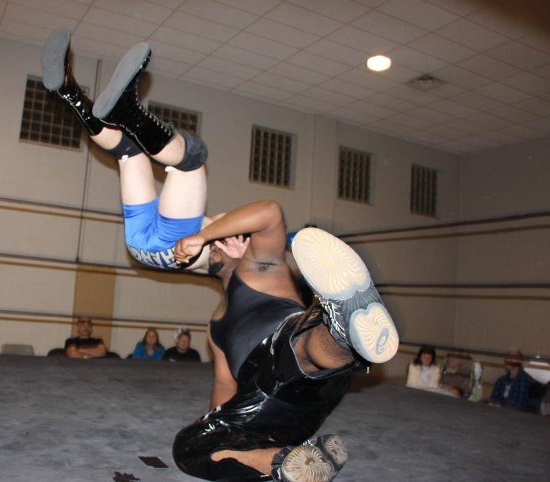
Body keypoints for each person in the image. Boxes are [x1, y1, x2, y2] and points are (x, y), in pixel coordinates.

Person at [171, 200, 399, 482]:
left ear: (245, 241)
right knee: (188, 446)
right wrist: (219, 427)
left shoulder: (262, 266)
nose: (213, 247)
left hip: (301, 358)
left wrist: (202, 235)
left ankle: (343, 329)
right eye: (212, 245)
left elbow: (270, 212)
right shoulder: (215, 323)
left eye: (220, 239)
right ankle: (282, 461)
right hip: (277, 410)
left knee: (292, 344)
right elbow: (225, 385)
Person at [42, 28, 212, 272]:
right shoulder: (247, 266)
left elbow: (262, 214)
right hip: (140, 246)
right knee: (128, 150)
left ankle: (128, 112)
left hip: (173, 246)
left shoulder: (259, 255)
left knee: (193, 158)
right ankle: (69, 92)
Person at [490, 347, 545, 413]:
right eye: (507, 357)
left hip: (518, 416)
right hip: (499, 413)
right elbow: (493, 400)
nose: (509, 359)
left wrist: (499, 405)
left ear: (520, 361)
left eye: (512, 357)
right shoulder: (501, 380)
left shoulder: (525, 380)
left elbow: (517, 405)